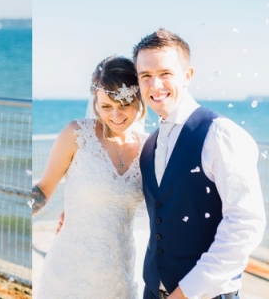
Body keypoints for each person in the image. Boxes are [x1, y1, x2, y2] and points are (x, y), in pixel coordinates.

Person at [133, 29, 265, 299]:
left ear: (188, 76)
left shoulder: (221, 134)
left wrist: (187, 292)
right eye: (145, 76)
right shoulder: (149, 145)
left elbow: (245, 224)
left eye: (165, 73)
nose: (155, 86)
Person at [32, 55, 147, 298]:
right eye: (106, 106)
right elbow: (42, 190)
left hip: (120, 278)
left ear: (138, 100)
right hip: (69, 275)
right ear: (95, 102)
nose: (115, 115)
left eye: (124, 105)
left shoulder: (149, 148)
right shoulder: (77, 134)